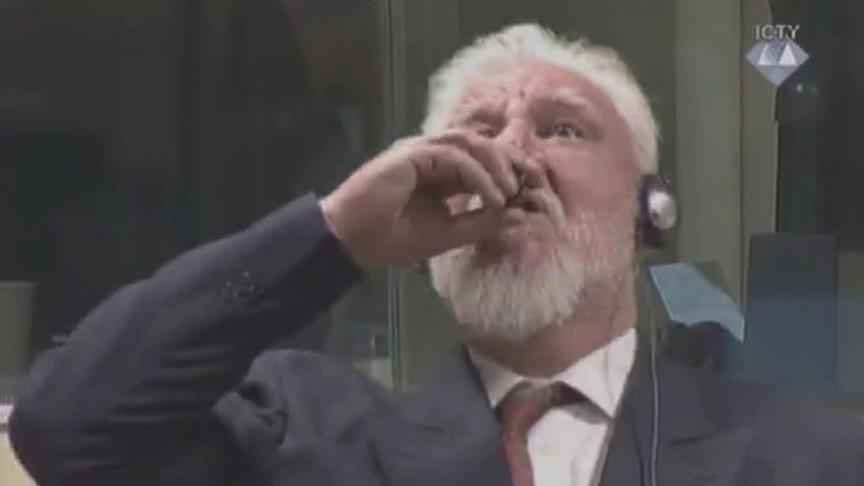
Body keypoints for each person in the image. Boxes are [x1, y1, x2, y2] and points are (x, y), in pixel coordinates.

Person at [9, 24, 864, 486]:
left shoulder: (808, 454)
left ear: (651, 212)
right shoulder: (300, 432)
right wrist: (334, 235)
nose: (513, 156)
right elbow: (67, 430)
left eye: (563, 130)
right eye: (476, 134)